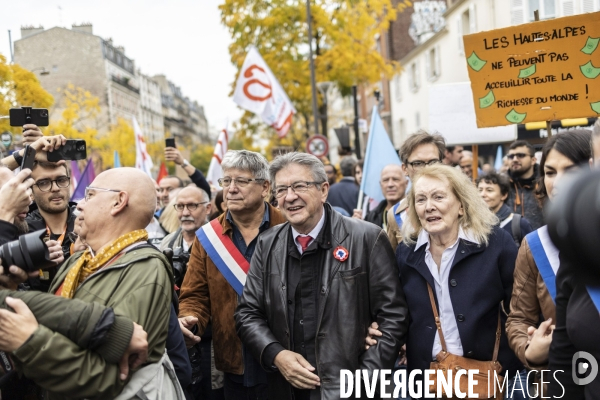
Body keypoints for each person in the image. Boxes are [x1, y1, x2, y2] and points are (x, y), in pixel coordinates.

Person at [235, 152, 408, 400]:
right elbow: (247, 313)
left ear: (324, 190)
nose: (290, 197)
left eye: (299, 186)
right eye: (281, 190)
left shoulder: (367, 238)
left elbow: (393, 316)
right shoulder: (267, 243)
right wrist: (277, 355)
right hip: (287, 389)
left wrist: (361, 381)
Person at [0, 167, 185, 398]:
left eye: (90, 195)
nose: (78, 205)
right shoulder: (78, 261)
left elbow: (108, 377)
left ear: (118, 202)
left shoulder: (145, 268)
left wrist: (30, 341)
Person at [369, 164, 523, 396]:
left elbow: (520, 308)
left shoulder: (496, 244)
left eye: (438, 197)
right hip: (426, 380)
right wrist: (378, 329)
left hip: (488, 375)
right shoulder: (407, 252)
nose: (429, 206)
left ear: (461, 205)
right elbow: (397, 310)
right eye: (420, 200)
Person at [178, 150, 286, 400]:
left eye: (241, 181)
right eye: (226, 181)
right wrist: (189, 319)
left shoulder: (288, 226)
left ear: (265, 187)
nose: (231, 189)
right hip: (234, 366)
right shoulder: (208, 238)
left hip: (285, 361)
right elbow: (195, 294)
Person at [506, 130, 592, 391]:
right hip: (561, 381)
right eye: (551, 172)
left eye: (572, 169)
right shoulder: (535, 245)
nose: (558, 181)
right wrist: (530, 351)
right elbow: (518, 319)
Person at [386, 130, 446, 249]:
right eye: (418, 163)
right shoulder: (396, 214)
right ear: (405, 169)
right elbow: (391, 263)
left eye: (433, 162)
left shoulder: (460, 203)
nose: (427, 169)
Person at [26, 160, 78, 290]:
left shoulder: (89, 223)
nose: (55, 188)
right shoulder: (21, 232)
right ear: (31, 191)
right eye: (44, 183)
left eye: (61, 180)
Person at [476, 171, 533, 247]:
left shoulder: (519, 224)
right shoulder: (473, 223)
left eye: (489, 190)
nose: (483, 194)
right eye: (480, 190)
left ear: (504, 195)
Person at [352, 164, 407, 230]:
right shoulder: (372, 217)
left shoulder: (415, 213)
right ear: (380, 184)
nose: (390, 184)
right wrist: (357, 227)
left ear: (406, 183)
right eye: (386, 180)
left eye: (395, 179)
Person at [505, 140, 544, 230]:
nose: (515, 159)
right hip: (511, 241)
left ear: (533, 160)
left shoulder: (545, 182)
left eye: (520, 155)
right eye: (511, 156)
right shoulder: (502, 184)